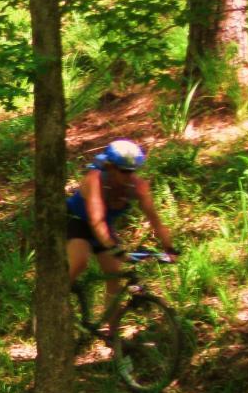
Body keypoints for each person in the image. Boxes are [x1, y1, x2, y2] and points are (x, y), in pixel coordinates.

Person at [66, 139, 177, 332]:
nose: (129, 176)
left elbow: (155, 221)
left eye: (132, 171)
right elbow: (96, 220)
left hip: (104, 229)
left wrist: (169, 248)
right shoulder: (95, 180)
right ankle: (52, 300)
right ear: (110, 167)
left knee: (114, 277)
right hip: (77, 221)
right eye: (124, 171)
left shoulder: (138, 187)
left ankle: (114, 338)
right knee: (80, 261)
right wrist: (115, 249)